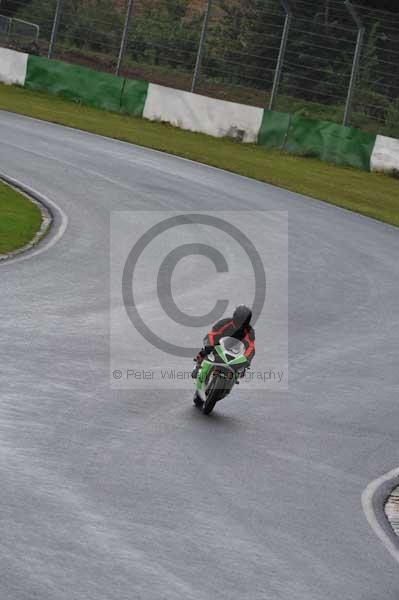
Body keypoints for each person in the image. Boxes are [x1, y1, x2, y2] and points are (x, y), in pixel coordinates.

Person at [191, 305, 255, 379]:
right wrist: (210, 345)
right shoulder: (225, 322)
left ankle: (230, 381)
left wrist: (247, 359)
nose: (239, 325)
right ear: (235, 317)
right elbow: (212, 334)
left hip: (235, 352)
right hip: (218, 345)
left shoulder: (250, 332)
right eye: (238, 321)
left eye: (243, 322)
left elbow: (251, 347)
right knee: (206, 351)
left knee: (242, 370)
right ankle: (198, 365)